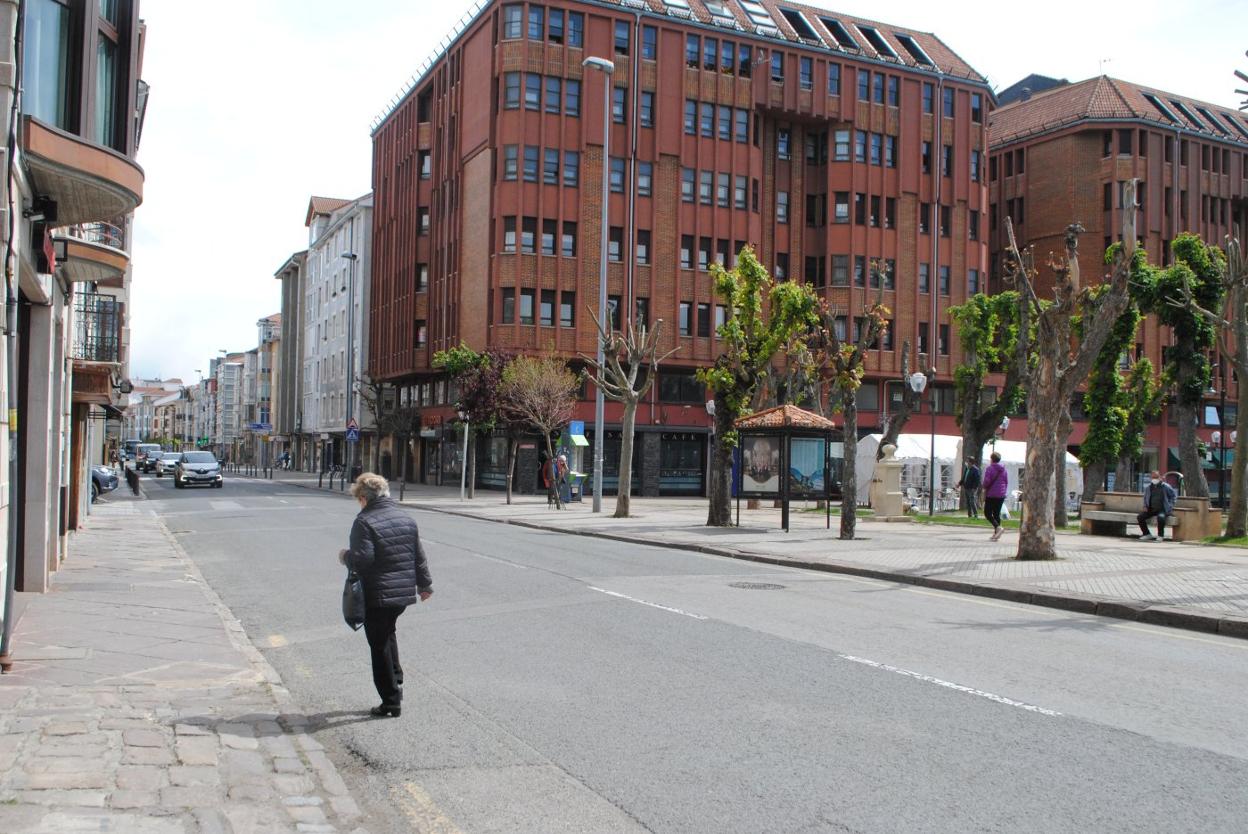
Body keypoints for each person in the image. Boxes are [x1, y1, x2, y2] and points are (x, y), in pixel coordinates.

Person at [338, 473, 432, 717]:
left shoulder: (364, 521)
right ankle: (396, 682)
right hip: (401, 594)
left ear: (363, 497)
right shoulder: (405, 518)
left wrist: (345, 556)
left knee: (378, 644)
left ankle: (390, 701)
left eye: (358, 499)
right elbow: (418, 555)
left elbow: (363, 560)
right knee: (388, 633)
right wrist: (425, 585)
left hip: (378, 594)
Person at [1138, 470, 1177, 541]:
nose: (1154, 479)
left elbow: (1173, 496)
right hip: (1151, 509)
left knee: (1161, 518)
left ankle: (1160, 535)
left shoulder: (1165, 486)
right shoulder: (1149, 487)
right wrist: (1145, 506)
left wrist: (1170, 505)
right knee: (1140, 517)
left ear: (1160, 477)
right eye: (1153, 477)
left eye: (1156, 477)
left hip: (1162, 509)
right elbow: (1145, 498)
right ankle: (1147, 534)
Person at [981, 451, 1008, 541]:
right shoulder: (1004, 469)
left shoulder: (990, 468)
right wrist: (1004, 492)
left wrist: (984, 486)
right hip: (1001, 494)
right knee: (996, 513)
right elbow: (1006, 481)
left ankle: (998, 527)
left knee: (987, 513)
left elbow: (987, 481)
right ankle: (996, 534)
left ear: (992, 459)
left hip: (992, 494)